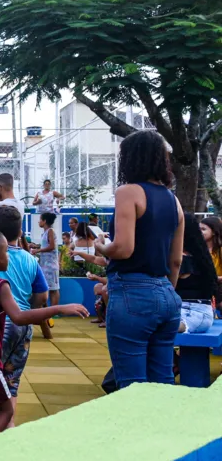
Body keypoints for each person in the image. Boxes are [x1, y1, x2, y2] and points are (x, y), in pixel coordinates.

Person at [0, 229, 86, 445]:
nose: (9, 256)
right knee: (4, 411)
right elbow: (19, 317)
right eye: (6, 253)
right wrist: (59, 308)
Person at [94, 130, 183, 389]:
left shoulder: (129, 192)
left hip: (132, 292)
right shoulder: (173, 199)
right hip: (167, 294)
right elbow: (175, 260)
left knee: (132, 387)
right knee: (163, 381)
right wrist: (166, 291)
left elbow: (123, 249)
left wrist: (102, 246)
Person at [0, 205, 57, 421]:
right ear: (20, 233)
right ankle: (9, 426)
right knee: (11, 381)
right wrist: (30, 307)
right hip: (22, 325)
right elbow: (43, 296)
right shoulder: (30, 259)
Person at [176, 213, 217, 335]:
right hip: (198, 312)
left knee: (158, 329)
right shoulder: (201, 255)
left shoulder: (182, 259)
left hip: (191, 314)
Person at [36, 212, 61, 325]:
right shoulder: (45, 233)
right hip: (46, 264)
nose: (39, 222)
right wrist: (36, 247)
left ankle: (54, 311)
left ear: (44, 221)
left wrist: (38, 250)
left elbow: (51, 246)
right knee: (49, 287)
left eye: (40, 219)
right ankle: (50, 311)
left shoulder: (50, 231)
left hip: (51, 265)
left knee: (54, 288)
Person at [200, 216, 222, 286]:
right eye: (198, 229)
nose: (199, 232)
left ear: (214, 232)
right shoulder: (197, 249)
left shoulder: (220, 250)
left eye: (203, 229)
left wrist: (216, 278)